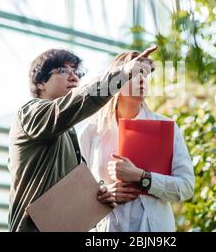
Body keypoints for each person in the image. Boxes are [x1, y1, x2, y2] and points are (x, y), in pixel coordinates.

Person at [8, 46, 157, 232]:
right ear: (40, 83)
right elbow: (77, 103)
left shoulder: (67, 131)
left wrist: (98, 195)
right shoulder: (31, 113)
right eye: (63, 71)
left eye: (76, 72)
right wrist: (123, 74)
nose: (74, 77)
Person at [79, 51, 195, 232]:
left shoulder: (166, 127)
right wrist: (105, 193)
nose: (142, 80)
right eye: (135, 74)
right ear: (116, 81)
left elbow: (186, 187)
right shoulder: (91, 132)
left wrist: (143, 177)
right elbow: (78, 195)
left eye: (145, 75)